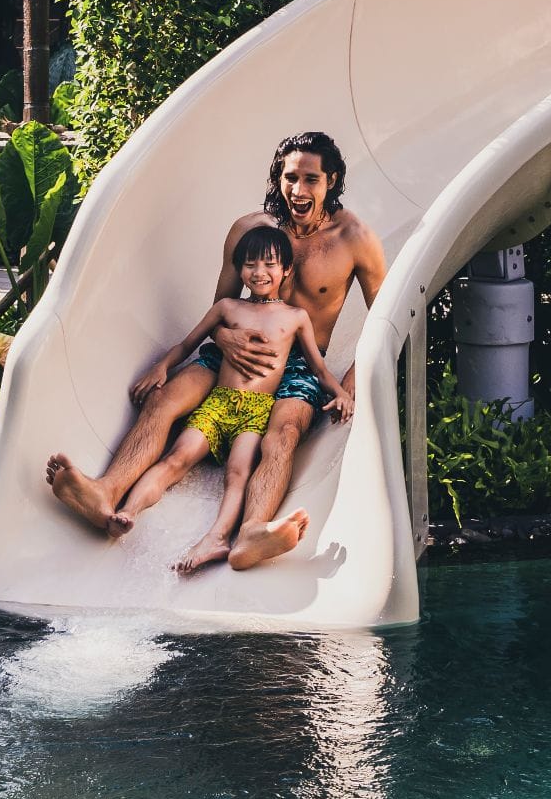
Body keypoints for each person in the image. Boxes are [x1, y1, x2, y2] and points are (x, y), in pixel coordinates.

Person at [46, 131, 388, 571]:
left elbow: (384, 319)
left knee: (282, 434)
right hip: (232, 352)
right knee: (163, 399)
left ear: (332, 180)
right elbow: (220, 307)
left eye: (310, 179)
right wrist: (224, 338)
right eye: (290, 178)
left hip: (299, 365)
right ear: (278, 178)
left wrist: (351, 381)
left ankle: (251, 532)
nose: (298, 190)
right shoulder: (250, 231)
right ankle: (105, 492)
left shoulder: (355, 238)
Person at [104, 225, 348, 574]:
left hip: (257, 411)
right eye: (250, 264)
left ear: (286, 270)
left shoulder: (295, 318)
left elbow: (318, 368)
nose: (259, 272)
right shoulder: (227, 308)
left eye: (269, 264)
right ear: (240, 269)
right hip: (218, 403)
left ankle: (217, 538)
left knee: (238, 473)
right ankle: (128, 512)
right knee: (177, 458)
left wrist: (340, 393)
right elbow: (187, 345)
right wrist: (162, 366)